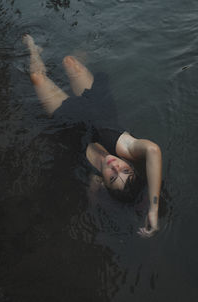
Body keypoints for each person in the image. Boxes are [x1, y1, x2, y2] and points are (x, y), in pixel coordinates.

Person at [23, 34, 162, 238]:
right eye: (124, 169)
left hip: (69, 116)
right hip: (97, 106)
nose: (115, 165)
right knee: (69, 61)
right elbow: (153, 150)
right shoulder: (124, 148)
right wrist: (153, 208)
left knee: (36, 77)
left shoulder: (94, 179)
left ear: (104, 183)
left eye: (113, 176)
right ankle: (90, 45)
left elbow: (94, 202)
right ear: (130, 164)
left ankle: (33, 49)